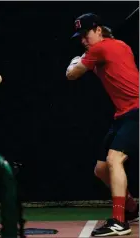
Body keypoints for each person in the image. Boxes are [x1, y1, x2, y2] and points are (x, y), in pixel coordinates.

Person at [66, 13, 139, 237]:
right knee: (101, 169)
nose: (83, 40)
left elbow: (71, 75)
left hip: (137, 110)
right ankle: (132, 209)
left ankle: (119, 222)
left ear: (98, 30)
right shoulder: (120, 45)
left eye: (86, 34)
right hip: (123, 114)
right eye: (80, 37)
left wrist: (74, 61)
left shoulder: (99, 50)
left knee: (114, 159)